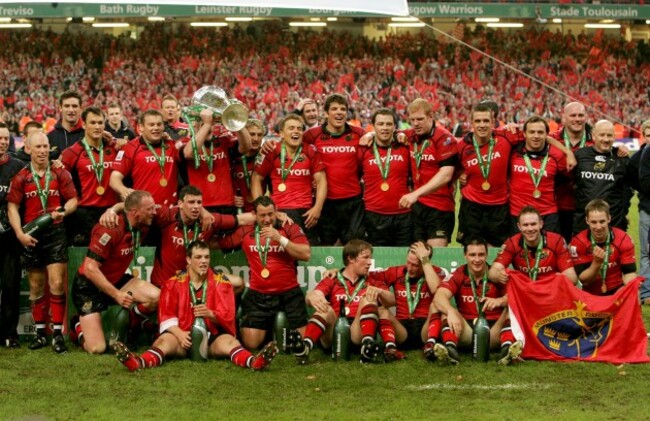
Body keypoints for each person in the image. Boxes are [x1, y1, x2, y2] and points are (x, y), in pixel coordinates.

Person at [113, 241, 278, 372]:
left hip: (211, 338)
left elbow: (228, 316)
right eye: (198, 257)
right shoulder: (173, 283)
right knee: (163, 341)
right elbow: (166, 315)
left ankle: (254, 362)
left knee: (229, 343)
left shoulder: (222, 283)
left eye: (206, 257)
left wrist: (211, 314)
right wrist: (179, 334)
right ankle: (139, 362)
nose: (204, 261)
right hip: (182, 337)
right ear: (188, 260)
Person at [6, 132, 78, 353]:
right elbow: (12, 208)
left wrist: (63, 213)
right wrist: (20, 234)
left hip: (55, 234)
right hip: (32, 235)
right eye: (38, 146)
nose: (43, 150)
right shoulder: (21, 177)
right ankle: (39, 334)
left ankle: (57, 334)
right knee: (36, 287)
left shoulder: (60, 173)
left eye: (46, 146)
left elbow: (74, 200)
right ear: (28, 149)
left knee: (56, 284)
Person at [70, 190, 160, 354]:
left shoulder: (143, 221)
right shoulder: (110, 229)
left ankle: (132, 328)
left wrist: (113, 208)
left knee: (156, 297)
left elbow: (127, 203)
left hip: (117, 279)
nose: (155, 212)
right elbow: (90, 268)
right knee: (97, 349)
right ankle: (77, 326)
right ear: (135, 212)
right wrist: (116, 294)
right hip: (89, 286)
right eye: (150, 209)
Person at [215, 196, 311, 350]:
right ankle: (271, 332)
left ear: (276, 212)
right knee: (250, 343)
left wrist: (279, 238)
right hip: (259, 294)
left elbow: (305, 254)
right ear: (254, 214)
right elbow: (220, 243)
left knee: (305, 341)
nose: (267, 219)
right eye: (262, 215)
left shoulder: (288, 226)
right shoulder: (246, 230)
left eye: (270, 214)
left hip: (289, 293)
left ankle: (280, 329)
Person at [294, 239, 398, 364]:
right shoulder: (332, 278)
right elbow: (315, 295)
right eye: (365, 258)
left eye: (370, 258)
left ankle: (367, 346)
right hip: (335, 331)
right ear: (351, 259)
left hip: (358, 332)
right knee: (324, 308)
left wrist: (380, 292)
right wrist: (312, 297)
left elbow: (393, 300)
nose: (370, 262)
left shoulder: (373, 280)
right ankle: (305, 347)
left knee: (368, 299)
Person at [434, 237, 522, 365]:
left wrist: (500, 300)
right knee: (444, 311)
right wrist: (450, 311)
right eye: (472, 255)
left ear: (487, 255)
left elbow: (516, 296)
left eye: (481, 255)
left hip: (493, 333)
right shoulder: (459, 274)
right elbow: (439, 296)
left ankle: (506, 351)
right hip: (467, 332)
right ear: (465, 256)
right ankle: (450, 351)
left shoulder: (496, 275)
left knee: (511, 309)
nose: (477, 259)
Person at [302, 93, 366, 245]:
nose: (339, 112)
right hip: (325, 202)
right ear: (325, 113)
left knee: (354, 246)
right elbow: (293, 149)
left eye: (343, 109)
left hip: (353, 201)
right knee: (327, 246)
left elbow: (381, 138)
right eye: (334, 109)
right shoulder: (312, 135)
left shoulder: (359, 133)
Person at [252, 113, 326, 243]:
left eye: (299, 128)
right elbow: (256, 178)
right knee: (281, 255)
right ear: (281, 133)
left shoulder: (310, 151)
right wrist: (264, 210)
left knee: (308, 255)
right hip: (280, 211)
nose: (296, 131)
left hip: (306, 213)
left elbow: (321, 181)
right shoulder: (271, 151)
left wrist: (317, 208)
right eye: (291, 128)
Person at [456, 103, 522, 247]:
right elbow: (453, 168)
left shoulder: (506, 136)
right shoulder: (461, 146)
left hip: (499, 207)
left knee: (496, 253)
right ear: (471, 123)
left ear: (493, 122)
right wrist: (461, 174)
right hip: (471, 207)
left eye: (486, 121)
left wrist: (517, 126)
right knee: (470, 250)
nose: (482, 125)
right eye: (478, 121)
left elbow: (538, 132)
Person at [398, 98, 458, 247]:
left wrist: (415, 194)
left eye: (420, 119)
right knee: (416, 258)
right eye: (412, 120)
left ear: (431, 116)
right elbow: (387, 133)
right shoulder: (411, 135)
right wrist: (370, 135)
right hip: (418, 207)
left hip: (440, 208)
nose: (416, 123)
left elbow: (446, 175)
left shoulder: (444, 139)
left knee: (435, 259)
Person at [375, 241, 445, 359]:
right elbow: (367, 275)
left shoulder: (437, 272)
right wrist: (337, 271)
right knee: (382, 311)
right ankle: (391, 348)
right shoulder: (396, 271)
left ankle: (430, 345)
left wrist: (424, 259)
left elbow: (435, 289)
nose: (410, 268)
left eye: (416, 265)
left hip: (426, 328)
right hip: (402, 329)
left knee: (437, 305)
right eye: (408, 262)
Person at [60, 106, 120, 246]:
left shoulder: (113, 148)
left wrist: (120, 141)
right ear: (84, 124)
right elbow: (59, 179)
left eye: (100, 123)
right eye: (93, 123)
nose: (97, 126)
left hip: (110, 210)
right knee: (84, 257)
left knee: (109, 255)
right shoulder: (72, 152)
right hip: (84, 213)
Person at [110, 109, 187, 208]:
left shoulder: (171, 145)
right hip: (143, 210)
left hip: (169, 211)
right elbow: (114, 178)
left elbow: (188, 153)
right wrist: (124, 191)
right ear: (141, 127)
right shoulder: (131, 147)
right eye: (151, 125)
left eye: (159, 124)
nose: (156, 128)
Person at [182, 108, 252, 215]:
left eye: (211, 123)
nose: (208, 127)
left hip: (227, 205)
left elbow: (246, 147)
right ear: (193, 125)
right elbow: (189, 153)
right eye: (201, 124)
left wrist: (236, 123)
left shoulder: (224, 141)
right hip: (199, 207)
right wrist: (206, 125)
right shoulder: (185, 142)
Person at [508, 116, 568, 234]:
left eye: (540, 132)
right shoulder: (513, 152)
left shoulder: (557, 155)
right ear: (524, 133)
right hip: (518, 214)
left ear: (547, 135)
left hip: (547, 215)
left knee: (549, 251)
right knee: (521, 252)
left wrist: (569, 153)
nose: (536, 136)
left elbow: (569, 175)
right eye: (532, 132)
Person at [572, 120, 635, 234]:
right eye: (602, 135)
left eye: (609, 135)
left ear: (614, 137)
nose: (606, 139)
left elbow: (630, 190)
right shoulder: (580, 155)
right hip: (582, 223)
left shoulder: (621, 158)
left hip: (614, 223)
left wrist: (622, 214)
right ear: (593, 136)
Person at [489, 206, 578, 284]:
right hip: (524, 290)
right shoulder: (512, 243)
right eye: (525, 225)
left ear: (541, 224)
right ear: (519, 226)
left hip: (550, 289)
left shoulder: (557, 241)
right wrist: (499, 275)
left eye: (533, 224)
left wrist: (558, 279)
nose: (530, 228)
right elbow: (492, 273)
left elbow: (572, 278)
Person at [570, 199, 637, 295]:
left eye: (602, 221)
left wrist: (629, 290)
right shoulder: (578, 242)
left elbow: (629, 272)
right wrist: (596, 263)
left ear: (609, 219)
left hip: (617, 290)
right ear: (587, 221)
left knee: (634, 291)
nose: (598, 227)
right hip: (591, 294)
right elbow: (584, 281)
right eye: (594, 222)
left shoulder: (623, 238)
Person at [0, 122, 27, 348]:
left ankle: (9, 334)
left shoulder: (18, 166)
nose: (2, 142)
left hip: (9, 237)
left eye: (5, 138)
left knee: (10, 287)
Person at [550, 102, 593, 241]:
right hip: (556, 208)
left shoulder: (595, 140)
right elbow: (536, 135)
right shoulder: (553, 138)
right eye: (573, 115)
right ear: (563, 118)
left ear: (586, 117)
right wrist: (567, 151)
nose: (577, 119)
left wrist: (620, 148)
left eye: (580, 115)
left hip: (585, 209)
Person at [232, 118, 264, 213]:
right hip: (237, 210)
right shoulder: (232, 156)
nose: (256, 139)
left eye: (259, 135)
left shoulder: (265, 156)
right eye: (252, 134)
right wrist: (231, 198)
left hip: (259, 209)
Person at [636, 120, 650, 304]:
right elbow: (643, 182)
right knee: (647, 252)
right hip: (648, 209)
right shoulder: (645, 154)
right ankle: (647, 293)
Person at [47, 90, 84, 159]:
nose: (71, 110)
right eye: (67, 106)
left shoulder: (89, 134)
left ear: (81, 108)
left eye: (74, 106)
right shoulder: (50, 137)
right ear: (60, 108)